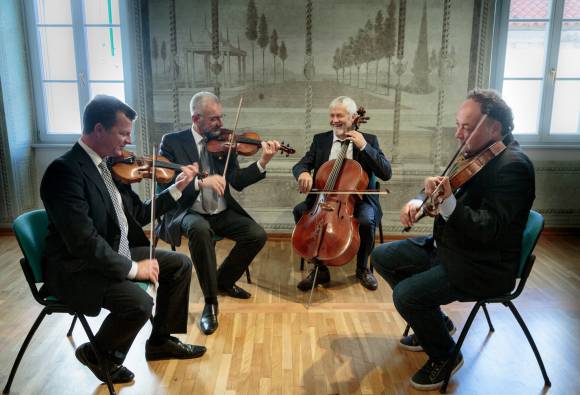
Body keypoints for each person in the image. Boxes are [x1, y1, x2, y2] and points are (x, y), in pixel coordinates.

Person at [370, 89, 535, 390]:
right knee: (381, 256)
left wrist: (447, 204)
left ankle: (445, 355)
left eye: (467, 128)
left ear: (494, 128)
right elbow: (446, 187)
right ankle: (434, 322)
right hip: (453, 249)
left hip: (483, 266)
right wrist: (418, 200)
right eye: (458, 125)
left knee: (406, 295)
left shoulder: (513, 167)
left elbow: (488, 229)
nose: (458, 134)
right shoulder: (478, 154)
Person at [40, 95, 205, 385]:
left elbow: (138, 213)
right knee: (139, 303)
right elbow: (84, 243)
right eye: (123, 133)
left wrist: (177, 189)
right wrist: (133, 269)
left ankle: (160, 341)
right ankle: (99, 354)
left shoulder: (108, 168)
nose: (129, 141)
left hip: (111, 250)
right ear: (99, 129)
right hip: (76, 268)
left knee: (178, 265)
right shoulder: (64, 172)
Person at [156, 91, 281, 335]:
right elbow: (164, 185)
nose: (220, 124)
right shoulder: (172, 142)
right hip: (188, 211)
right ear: (196, 118)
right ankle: (211, 302)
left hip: (221, 211)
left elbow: (236, 180)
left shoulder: (225, 143)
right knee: (200, 230)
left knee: (256, 234)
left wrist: (263, 161)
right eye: (214, 119)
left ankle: (223, 281)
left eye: (221, 118)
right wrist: (200, 182)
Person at [292, 96, 392, 291]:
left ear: (354, 117)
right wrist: (303, 172)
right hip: (323, 199)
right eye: (332, 115)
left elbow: (386, 173)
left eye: (340, 115)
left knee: (365, 220)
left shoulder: (369, 140)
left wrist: (364, 146)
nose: (334, 120)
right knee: (300, 212)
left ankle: (362, 268)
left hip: (359, 199)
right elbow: (302, 164)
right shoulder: (320, 140)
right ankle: (320, 268)